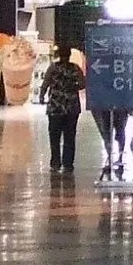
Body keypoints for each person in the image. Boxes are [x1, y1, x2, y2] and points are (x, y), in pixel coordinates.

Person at [42, 47, 85, 175]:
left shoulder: (53, 68)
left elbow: (46, 82)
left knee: (54, 137)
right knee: (69, 137)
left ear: (59, 55)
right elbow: (83, 84)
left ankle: (55, 163)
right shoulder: (75, 68)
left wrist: (42, 96)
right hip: (71, 107)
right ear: (69, 55)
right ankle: (68, 164)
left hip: (55, 107)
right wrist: (72, 87)